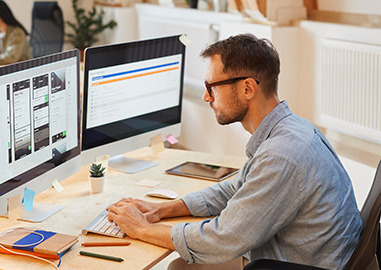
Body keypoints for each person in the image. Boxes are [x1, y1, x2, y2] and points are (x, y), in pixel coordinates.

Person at [107, 34, 362, 270]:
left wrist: (140, 229)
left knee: (180, 266)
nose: (207, 97)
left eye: (212, 86)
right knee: (180, 266)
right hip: (309, 257)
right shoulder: (290, 128)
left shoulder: (281, 155)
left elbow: (223, 238)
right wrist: (162, 210)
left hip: (300, 264)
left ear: (248, 88)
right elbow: (236, 189)